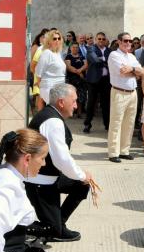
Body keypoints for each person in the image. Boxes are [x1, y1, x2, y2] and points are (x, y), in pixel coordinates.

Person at [25, 84, 99, 243]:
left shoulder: (51, 116)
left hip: (47, 178)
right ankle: (18, 229)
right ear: (61, 102)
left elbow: (61, 159)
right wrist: (81, 175)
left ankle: (59, 224)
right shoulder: (53, 122)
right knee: (50, 231)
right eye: (73, 101)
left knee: (81, 185)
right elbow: (61, 159)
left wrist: (81, 177)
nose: (76, 105)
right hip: (39, 183)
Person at [107, 32, 144, 163]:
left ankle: (124, 151)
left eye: (130, 41)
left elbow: (142, 71)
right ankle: (113, 152)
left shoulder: (132, 56)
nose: (128, 43)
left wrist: (132, 69)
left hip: (132, 93)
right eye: (125, 40)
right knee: (116, 123)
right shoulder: (114, 55)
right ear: (119, 41)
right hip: (119, 92)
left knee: (129, 124)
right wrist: (135, 72)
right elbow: (123, 72)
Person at [84, 32, 111, 134]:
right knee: (91, 103)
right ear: (96, 39)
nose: (101, 41)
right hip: (93, 81)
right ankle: (87, 124)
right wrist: (106, 60)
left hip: (106, 81)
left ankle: (107, 125)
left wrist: (103, 60)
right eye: (99, 39)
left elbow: (112, 61)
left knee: (106, 104)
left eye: (103, 39)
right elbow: (95, 60)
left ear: (105, 40)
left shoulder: (109, 50)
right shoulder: (91, 49)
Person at [35, 29, 66, 110]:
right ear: (49, 41)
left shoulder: (58, 54)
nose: (57, 40)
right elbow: (38, 72)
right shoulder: (46, 53)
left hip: (59, 87)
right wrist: (40, 86)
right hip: (49, 87)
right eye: (54, 38)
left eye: (59, 38)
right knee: (54, 110)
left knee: (56, 111)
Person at [29, 28, 50, 111]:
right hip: (39, 76)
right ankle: (38, 116)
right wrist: (37, 77)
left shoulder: (51, 49)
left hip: (47, 78)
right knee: (39, 97)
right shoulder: (38, 48)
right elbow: (32, 64)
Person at [65, 41, 88, 116]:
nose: (75, 49)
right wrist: (78, 72)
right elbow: (68, 67)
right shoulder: (68, 56)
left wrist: (80, 70)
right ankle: (71, 112)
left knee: (80, 96)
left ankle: (79, 113)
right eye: (73, 47)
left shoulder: (82, 56)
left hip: (81, 80)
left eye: (76, 47)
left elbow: (86, 65)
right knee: (71, 96)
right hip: (72, 79)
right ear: (70, 48)